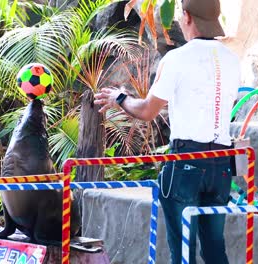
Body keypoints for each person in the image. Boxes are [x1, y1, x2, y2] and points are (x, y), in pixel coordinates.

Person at [94, 0, 240, 263]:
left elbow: (148, 110)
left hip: (186, 163)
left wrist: (120, 98)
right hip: (222, 164)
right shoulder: (232, 59)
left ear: (186, 17)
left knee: (182, 253)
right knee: (215, 248)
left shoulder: (177, 58)